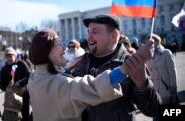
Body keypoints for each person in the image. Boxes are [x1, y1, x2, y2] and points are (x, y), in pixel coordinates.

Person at [27, 28, 155, 121]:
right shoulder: (59, 84)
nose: (65, 48)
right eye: (59, 44)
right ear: (46, 50)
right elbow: (94, 87)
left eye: (95, 31)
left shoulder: (34, 78)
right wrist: (131, 64)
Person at [73, 15, 161, 121]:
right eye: (88, 32)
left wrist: (142, 84)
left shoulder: (131, 62)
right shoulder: (83, 61)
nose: (88, 37)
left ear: (113, 36)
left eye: (94, 31)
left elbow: (153, 109)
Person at [0, 47, 32, 121]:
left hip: (24, 93)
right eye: (7, 57)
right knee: (13, 115)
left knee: (25, 113)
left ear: (15, 56)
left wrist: (19, 83)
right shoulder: (4, 69)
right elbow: (1, 85)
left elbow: (30, 75)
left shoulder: (21, 63)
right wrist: (7, 86)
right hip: (12, 97)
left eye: (11, 56)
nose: (9, 58)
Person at [145, 34, 178, 105]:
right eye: (148, 42)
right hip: (154, 93)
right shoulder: (148, 55)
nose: (150, 43)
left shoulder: (166, 53)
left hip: (166, 91)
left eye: (152, 41)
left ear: (157, 41)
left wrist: (173, 93)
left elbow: (172, 74)